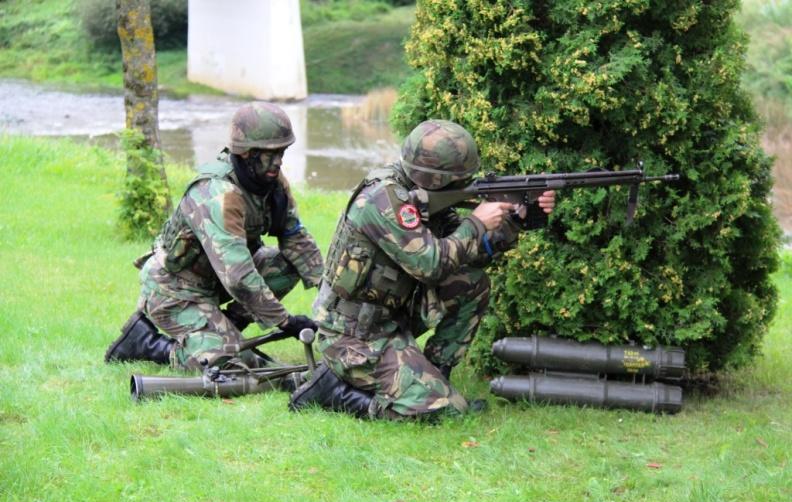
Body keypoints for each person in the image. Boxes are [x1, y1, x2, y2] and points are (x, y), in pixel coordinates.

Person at [289, 119, 555, 419]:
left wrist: (516, 220)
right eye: (460, 181)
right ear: (437, 180)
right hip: (353, 334)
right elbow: (430, 265)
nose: (465, 187)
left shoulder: (423, 196)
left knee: (471, 282)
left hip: (391, 317)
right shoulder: (384, 199)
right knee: (448, 413)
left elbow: (467, 255)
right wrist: (476, 223)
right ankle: (332, 392)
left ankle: (437, 377)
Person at [105, 102, 322, 371]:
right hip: (176, 290)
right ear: (246, 153)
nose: (278, 161)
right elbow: (239, 277)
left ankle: (226, 327)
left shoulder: (272, 183)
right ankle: (145, 343)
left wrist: (329, 295)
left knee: (286, 264)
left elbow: (296, 239)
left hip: (215, 282)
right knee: (229, 362)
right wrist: (285, 322)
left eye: (282, 152)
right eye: (270, 154)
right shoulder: (218, 193)